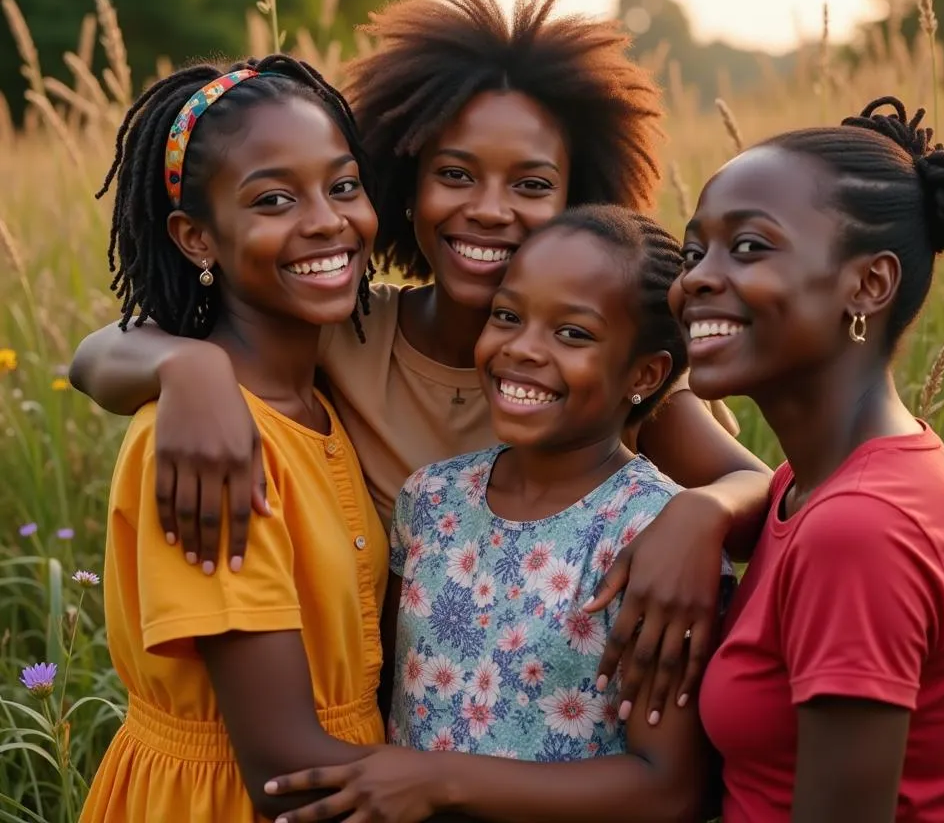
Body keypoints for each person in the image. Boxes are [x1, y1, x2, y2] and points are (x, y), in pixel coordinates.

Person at [70, 0, 771, 714]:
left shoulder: (603, 378)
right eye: (455, 175)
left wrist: (703, 513)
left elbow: (765, 495)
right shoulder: (344, 331)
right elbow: (94, 358)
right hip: (369, 729)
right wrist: (190, 364)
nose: (489, 210)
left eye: (531, 186)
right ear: (403, 185)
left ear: (580, 204)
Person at [259, 205, 732, 823]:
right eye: (507, 316)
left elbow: (668, 788)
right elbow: (392, 694)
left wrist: (443, 781)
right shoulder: (431, 500)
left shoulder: (655, 535)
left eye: (573, 334)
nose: (523, 349)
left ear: (644, 374)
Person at [674, 97, 944, 823]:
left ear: (869, 285)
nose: (696, 277)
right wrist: (705, 509)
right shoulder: (817, 484)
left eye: (749, 247)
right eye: (692, 249)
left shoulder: (860, 530)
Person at [80, 56, 391, 821]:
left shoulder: (324, 396)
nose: (326, 220)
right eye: (274, 199)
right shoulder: (204, 445)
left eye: (343, 185)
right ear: (197, 240)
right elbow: (285, 769)